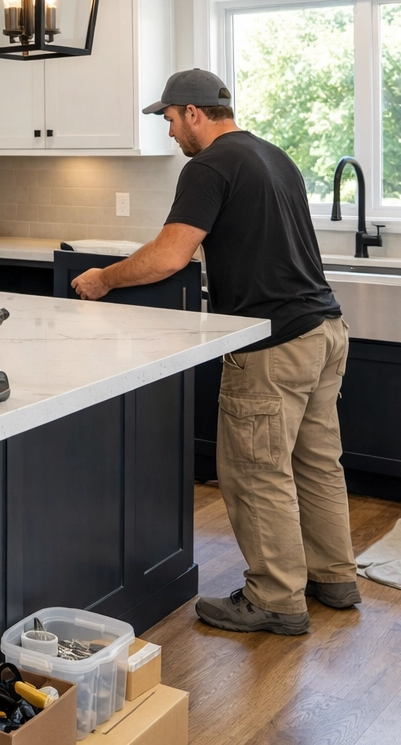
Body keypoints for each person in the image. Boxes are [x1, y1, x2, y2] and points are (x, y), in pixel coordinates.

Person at [70, 69, 355, 636]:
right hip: (324, 331)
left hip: (272, 343)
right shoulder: (274, 156)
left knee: (255, 472)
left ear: (194, 113)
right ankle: (334, 577)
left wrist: (103, 278)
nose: (170, 133)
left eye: (171, 120)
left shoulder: (209, 166)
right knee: (316, 464)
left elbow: (169, 257)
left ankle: (276, 598)